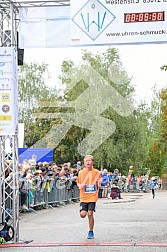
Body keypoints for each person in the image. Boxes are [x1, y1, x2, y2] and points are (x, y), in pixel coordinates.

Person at [77, 155, 101, 239]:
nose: (88, 162)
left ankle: (91, 231)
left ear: (92, 162)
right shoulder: (81, 172)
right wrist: (80, 185)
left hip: (92, 196)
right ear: (84, 163)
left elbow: (100, 182)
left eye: (89, 160)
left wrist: (98, 182)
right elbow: (78, 182)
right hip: (83, 196)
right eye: (86, 161)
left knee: (90, 214)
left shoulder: (97, 172)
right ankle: (85, 210)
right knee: (83, 214)